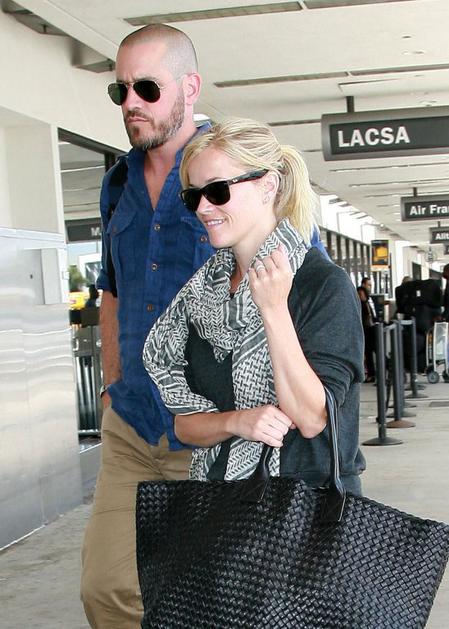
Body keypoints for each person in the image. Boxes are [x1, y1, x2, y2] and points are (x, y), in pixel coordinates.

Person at [144, 117, 365, 497]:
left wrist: (274, 309)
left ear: (268, 185)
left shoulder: (321, 284)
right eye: (193, 196)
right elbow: (185, 424)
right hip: (222, 503)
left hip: (309, 508)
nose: (203, 207)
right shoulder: (202, 296)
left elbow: (312, 418)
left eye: (217, 191)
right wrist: (236, 422)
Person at [80, 24, 215, 629]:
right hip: (132, 423)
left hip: (215, 431)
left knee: (208, 603)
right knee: (106, 590)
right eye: (121, 91)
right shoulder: (118, 183)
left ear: (189, 87)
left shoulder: (239, 171)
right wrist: (112, 383)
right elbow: (110, 289)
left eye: (147, 88)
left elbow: (298, 283)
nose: (131, 102)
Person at [357, 277, 377, 382]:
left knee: (370, 352)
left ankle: (372, 373)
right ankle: (372, 373)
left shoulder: (366, 303)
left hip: (368, 330)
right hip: (367, 330)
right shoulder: (364, 304)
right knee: (369, 353)